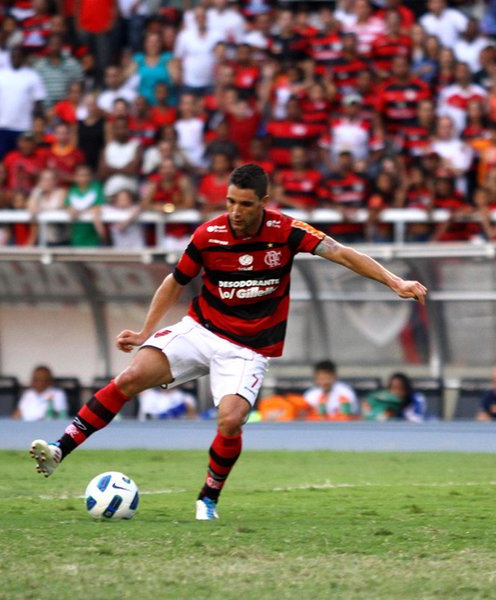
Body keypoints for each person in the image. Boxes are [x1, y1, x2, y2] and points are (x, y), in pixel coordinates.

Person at [29, 164, 427, 521]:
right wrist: (146, 331)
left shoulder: (286, 231)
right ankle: (60, 448)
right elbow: (175, 281)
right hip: (201, 330)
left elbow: (341, 253)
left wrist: (395, 282)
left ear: (264, 203)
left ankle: (208, 498)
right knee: (132, 377)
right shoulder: (209, 235)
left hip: (248, 348)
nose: (236, 212)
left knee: (232, 419)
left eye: (246, 204)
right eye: (230, 202)